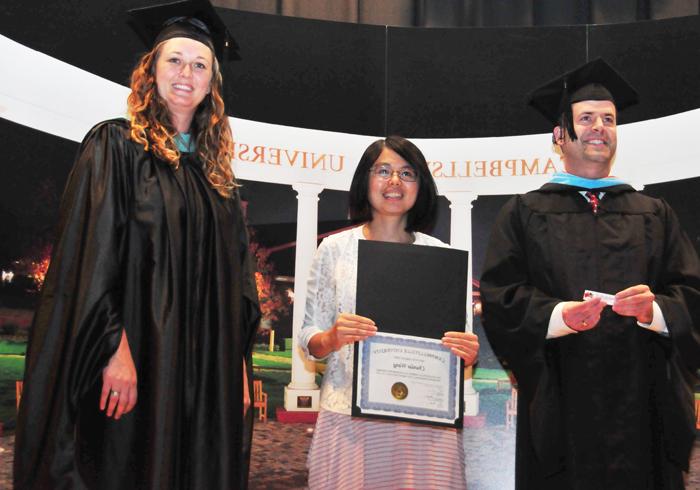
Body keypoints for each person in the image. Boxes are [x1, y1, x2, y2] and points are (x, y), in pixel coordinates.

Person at [13, 1, 260, 488]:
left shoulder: (219, 182)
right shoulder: (115, 148)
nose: (186, 73)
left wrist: (238, 369)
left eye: (199, 64)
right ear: (151, 70)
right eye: (174, 59)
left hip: (203, 371)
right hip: (136, 360)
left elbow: (236, 287)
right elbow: (92, 258)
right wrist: (112, 351)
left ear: (212, 82)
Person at [480, 58, 700, 490]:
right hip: (561, 406)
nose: (600, 127)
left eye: (609, 119)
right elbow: (500, 296)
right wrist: (558, 316)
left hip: (644, 410)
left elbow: (691, 293)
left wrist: (655, 311)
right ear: (560, 135)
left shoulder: (653, 214)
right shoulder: (524, 213)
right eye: (586, 118)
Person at [299, 136, 479, 489]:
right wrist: (332, 337)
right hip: (348, 419)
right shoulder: (334, 249)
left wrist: (468, 353)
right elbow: (309, 339)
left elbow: (463, 343)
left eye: (407, 173)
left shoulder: (442, 256)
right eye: (383, 171)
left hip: (426, 422)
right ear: (365, 180)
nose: (394, 182)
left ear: (421, 185)